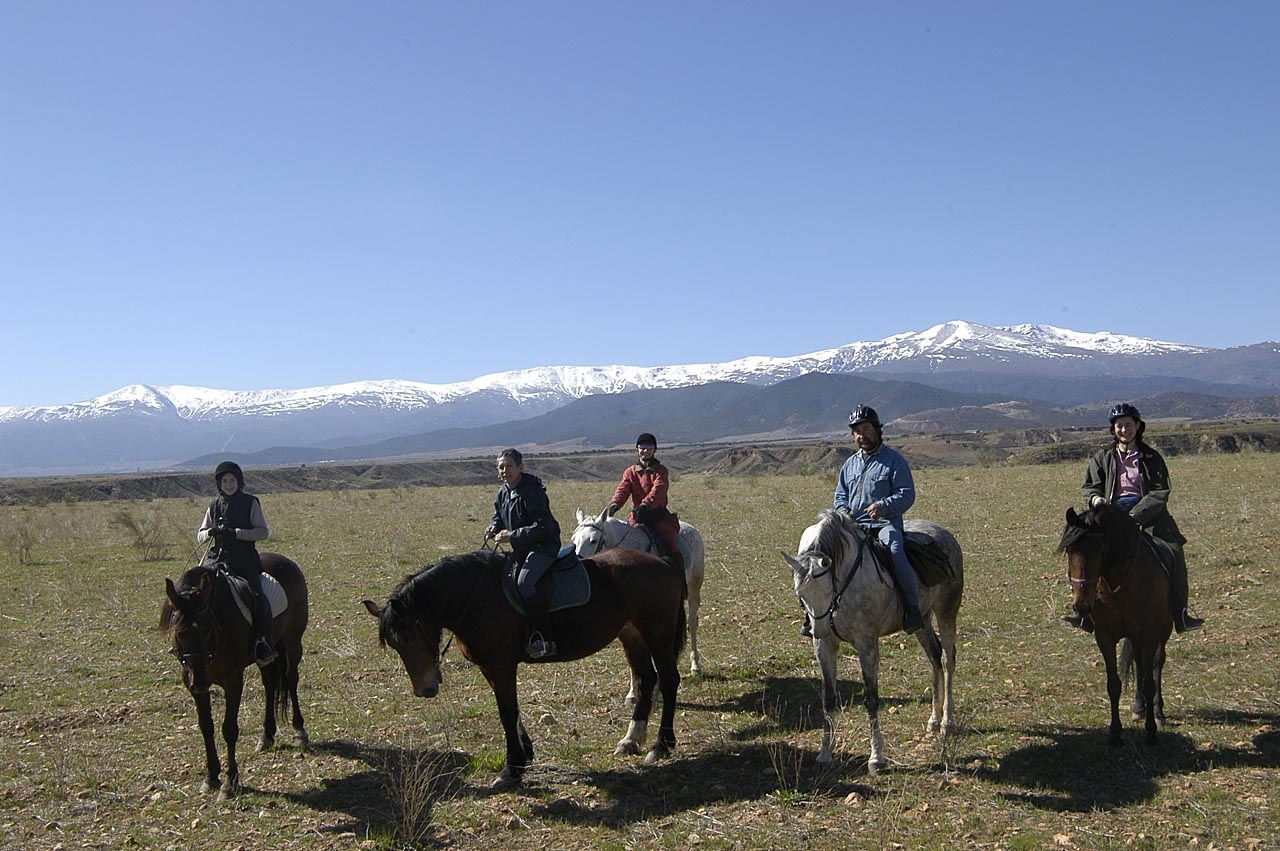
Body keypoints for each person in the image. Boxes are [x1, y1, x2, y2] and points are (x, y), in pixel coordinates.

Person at [1064, 402, 1205, 634]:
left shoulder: (1151, 457)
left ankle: (1181, 613)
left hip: (1149, 517)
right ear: (1113, 429)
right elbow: (1090, 487)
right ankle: (1084, 613)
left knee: (1174, 551)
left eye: (1128, 425)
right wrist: (1096, 500)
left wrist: (1136, 514)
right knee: (1084, 552)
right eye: (1119, 426)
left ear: (1138, 427)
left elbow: (1160, 491)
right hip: (1109, 517)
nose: (1124, 430)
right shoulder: (1103, 457)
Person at [820, 405, 924, 636]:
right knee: (823, 556)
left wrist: (883, 506)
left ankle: (912, 608)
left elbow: (906, 494)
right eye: (857, 431)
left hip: (884, 525)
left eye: (866, 429)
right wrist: (843, 512)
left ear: (877, 429)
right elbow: (840, 496)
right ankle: (818, 614)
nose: (862, 435)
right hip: (853, 526)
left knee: (895, 551)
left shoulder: (894, 461)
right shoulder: (850, 464)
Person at [485, 448, 563, 659]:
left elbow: (542, 526)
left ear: (520, 467)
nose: (505, 471)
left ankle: (545, 638)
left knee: (524, 583)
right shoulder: (503, 492)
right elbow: (499, 516)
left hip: (544, 546)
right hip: (522, 547)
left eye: (509, 466)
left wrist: (512, 536)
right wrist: (493, 527)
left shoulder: (532, 491)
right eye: (501, 467)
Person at [197, 460, 277, 666]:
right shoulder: (213, 505)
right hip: (216, 561)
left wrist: (236, 533)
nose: (228, 484)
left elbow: (262, 532)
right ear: (219, 483)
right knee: (194, 595)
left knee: (257, 596)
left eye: (232, 480)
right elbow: (200, 535)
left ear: (239, 482)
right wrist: (210, 532)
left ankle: (261, 641)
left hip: (244, 561)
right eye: (224, 481)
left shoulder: (251, 502)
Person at [605, 432, 684, 576]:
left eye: (649, 447)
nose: (645, 450)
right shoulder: (630, 472)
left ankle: (678, 578)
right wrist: (615, 504)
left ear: (654, 450)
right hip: (637, 518)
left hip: (658, 518)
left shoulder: (661, 471)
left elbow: (659, 490)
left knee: (670, 544)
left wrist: (645, 505)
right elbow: (623, 489)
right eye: (642, 447)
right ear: (637, 449)